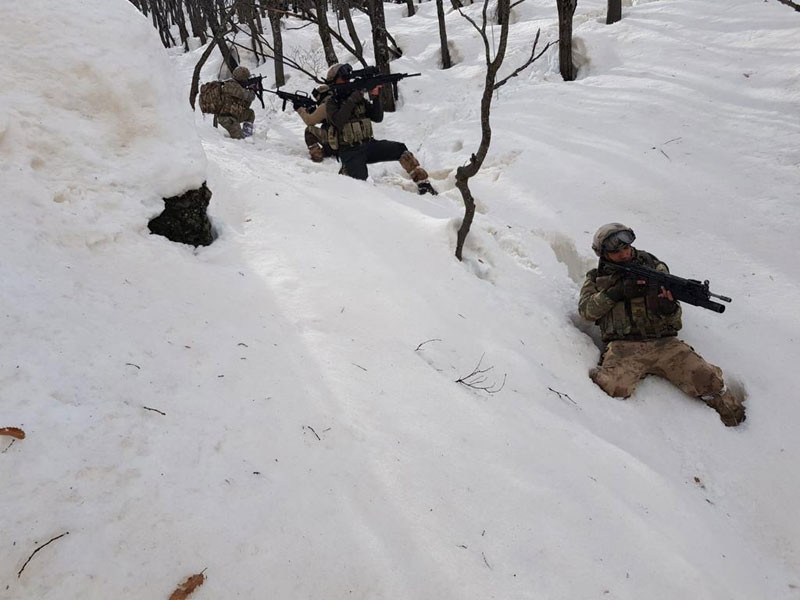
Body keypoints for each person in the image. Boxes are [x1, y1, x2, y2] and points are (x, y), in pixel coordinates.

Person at [578, 223, 745, 426]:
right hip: (624, 348)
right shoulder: (597, 278)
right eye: (616, 251)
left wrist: (668, 308)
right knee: (611, 386)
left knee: (707, 379)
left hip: (664, 344)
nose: (623, 254)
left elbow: (676, 322)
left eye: (626, 248)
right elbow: (586, 312)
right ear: (603, 254)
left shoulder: (654, 269)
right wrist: (616, 292)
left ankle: (738, 427)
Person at [323, 63, 437, 195]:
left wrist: (376, 97)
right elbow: (338, 121)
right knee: (359, 184)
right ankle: (346, 171)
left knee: (400, 149)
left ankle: (423, 184)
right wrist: (353, 98)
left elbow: (377, 117)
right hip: (350, 151)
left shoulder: (357, 98)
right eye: (344, 78)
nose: (347, 80)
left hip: (368, 145)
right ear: (334, 80)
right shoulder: (332, 102)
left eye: (348, 78)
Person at [296, 84, 336, 162]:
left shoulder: (326, 104)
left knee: (309, 130)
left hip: (334, 141)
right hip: (347, 142)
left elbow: (310, 121)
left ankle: (317, 155)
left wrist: (299, 109)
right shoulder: (339, 101)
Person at [217, 66, 256, 139]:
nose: (247, 81)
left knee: (250, 113)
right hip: (226, 119)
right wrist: (252, 89)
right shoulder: (232, 86)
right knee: (239, 139)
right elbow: (250, 97)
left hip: (234, 115)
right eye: (246, 79)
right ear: (241, 79)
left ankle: (248, 135)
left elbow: (246, 104)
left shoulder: (235, 85)